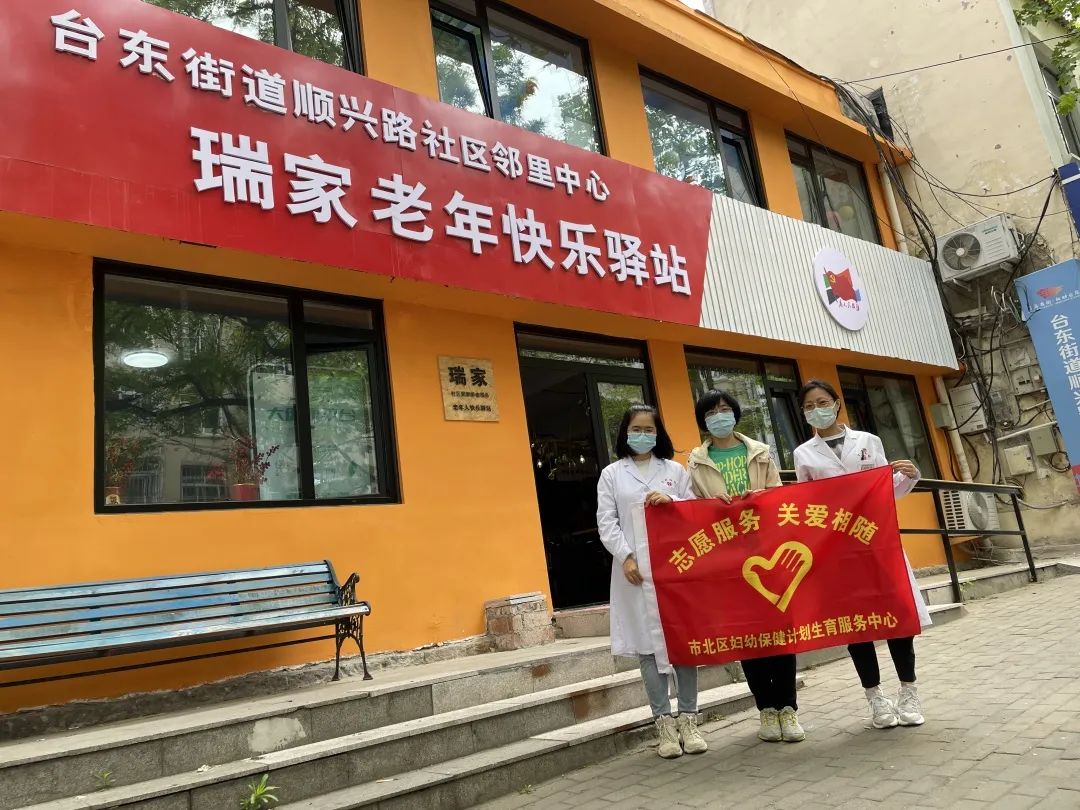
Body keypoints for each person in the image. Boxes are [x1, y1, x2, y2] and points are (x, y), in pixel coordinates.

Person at [793, 379, 932, 730]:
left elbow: (884, 491)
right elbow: (809, 506)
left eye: (821, 402)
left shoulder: (869, 441)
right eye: (808, 406)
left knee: (896, 616)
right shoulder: (803, 453)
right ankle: (876, 699)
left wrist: (910, 477)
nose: (816, 410)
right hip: (838, 549)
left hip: (877, 541)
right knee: (856, 624)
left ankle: (909, 692)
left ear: (836, 403)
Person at [686, 390, 804, 744]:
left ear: (735, 414)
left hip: (766, 547)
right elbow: (691, 507)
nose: (719, 416)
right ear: (703, 420)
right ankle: (766, 709)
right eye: (711, 412)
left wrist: (760, 498)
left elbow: (779, 495)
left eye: (725, 409)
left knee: (780, 630)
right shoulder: (696, 461)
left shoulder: (760, 452)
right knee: (746, 634)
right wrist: (711, 504)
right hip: (726, 558)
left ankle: (788, 708)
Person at [596, 403, 707, 759]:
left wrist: (671, 500)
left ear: (658, 434)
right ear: (624, 433)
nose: (642, 435)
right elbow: (607, 522)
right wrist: (626, 556)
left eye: (649, 429)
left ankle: (688, 719)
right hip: (635, 572)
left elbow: (694, 510)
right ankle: (664, 725)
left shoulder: (674, 470)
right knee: (647, 646)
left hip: (675, 569)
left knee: (682, 641)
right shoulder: (612, 474)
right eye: (636, 429)